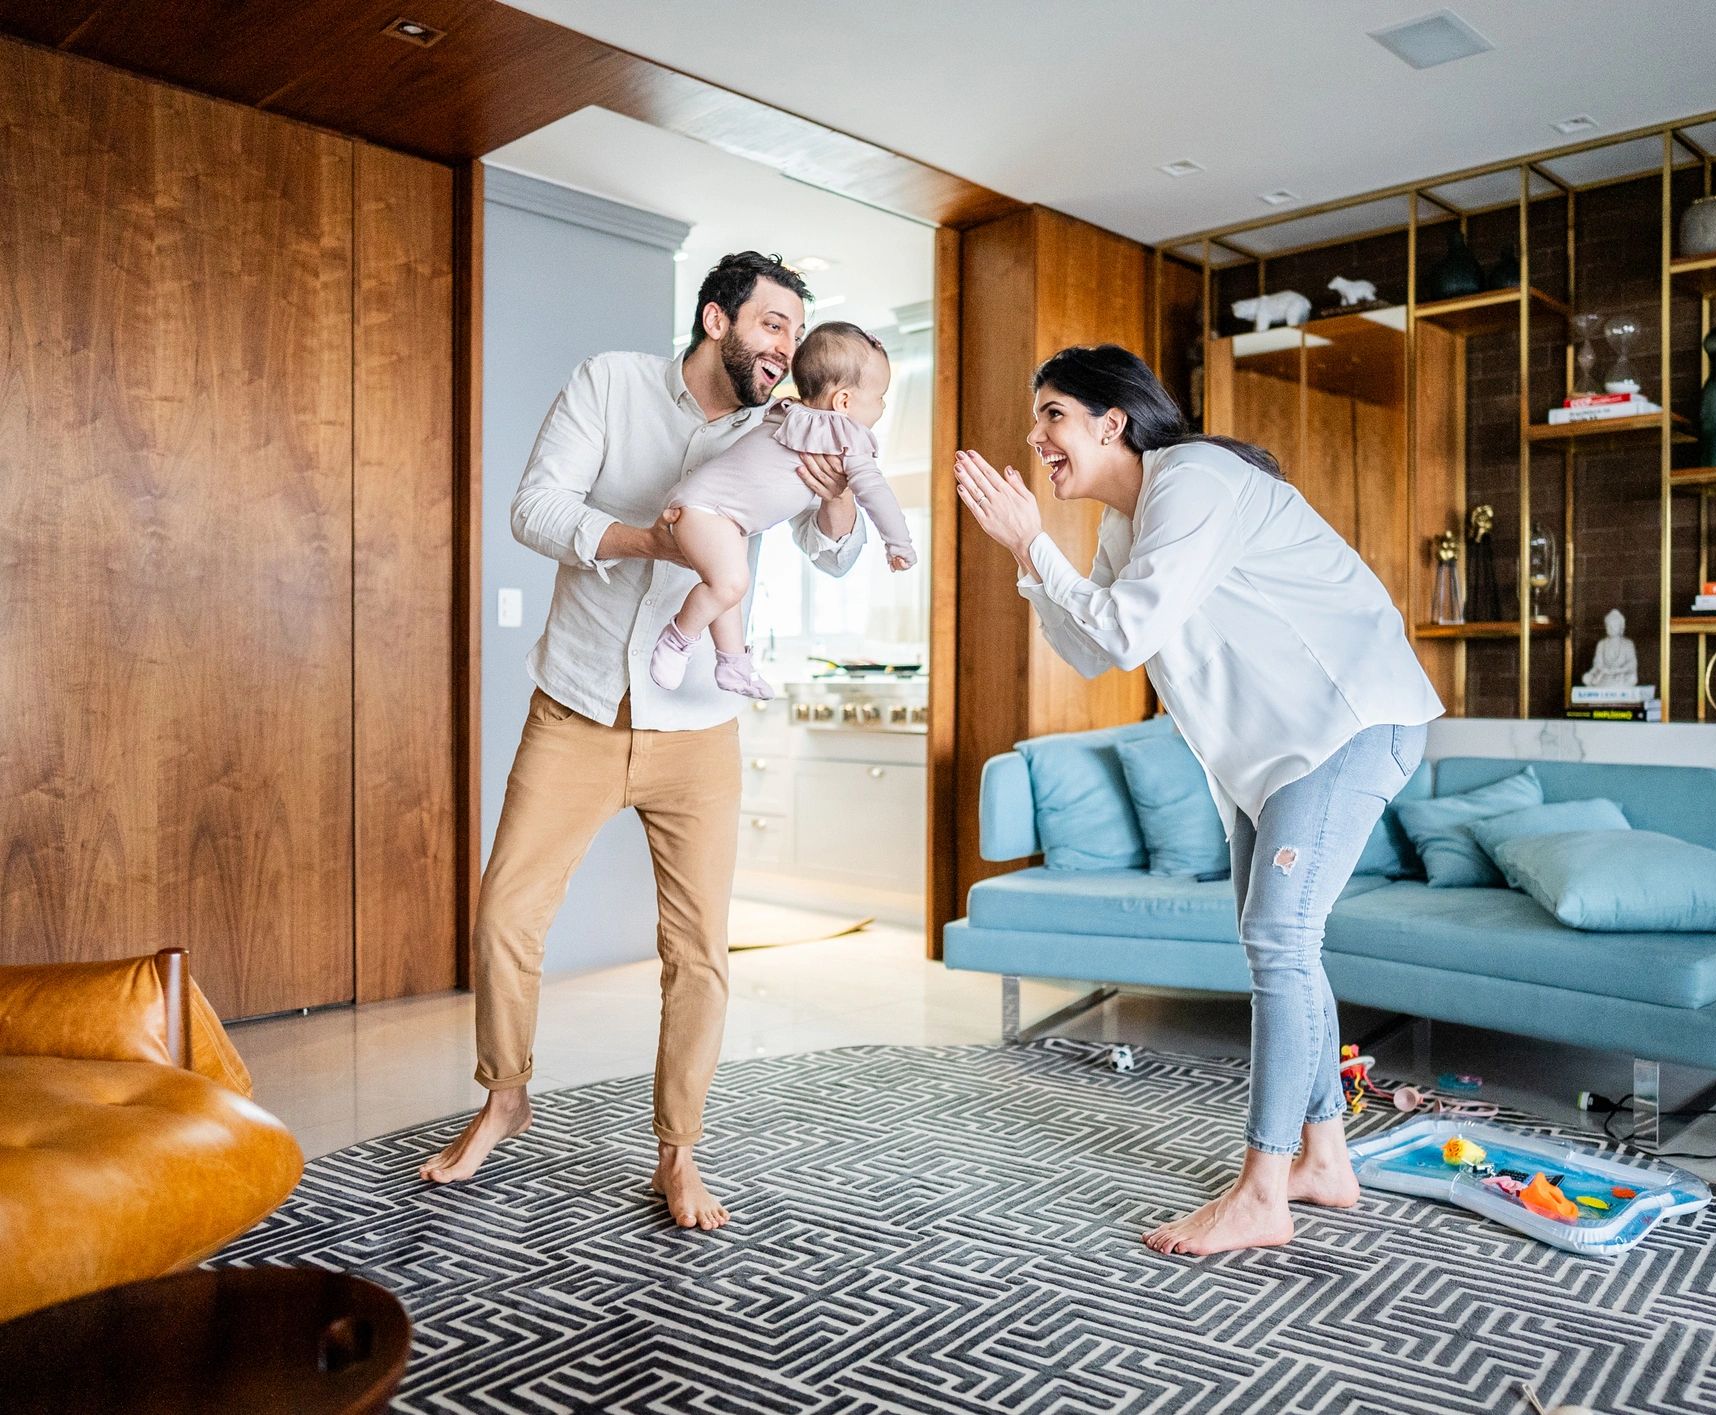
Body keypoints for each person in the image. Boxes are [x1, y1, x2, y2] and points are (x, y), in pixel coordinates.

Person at [953, 344, 1444, 1257]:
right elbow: (1099, 649)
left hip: (1346, 725)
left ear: (1112, 422)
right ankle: (1323, 1155)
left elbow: (1127, 628)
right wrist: (1031, 564)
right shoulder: (1127, 519)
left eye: (1051, 414)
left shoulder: (1196, 480)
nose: (1035, 437)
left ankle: (1264, 1192)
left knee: (1278, 940)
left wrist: (1030, 542)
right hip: (1273, 760)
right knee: (1283, 945)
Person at [418, 252, 869, 1230]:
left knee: (699, 951)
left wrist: (840, 488)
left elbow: (833, 553)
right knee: (505, 915)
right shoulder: (611, 383)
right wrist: (650, 541)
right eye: (771, 323)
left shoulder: (780, 426)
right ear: (718, 317)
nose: (784, 345)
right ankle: (506, 1095)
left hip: (698, 725)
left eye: (795, 331)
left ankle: (678, 1150)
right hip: (576, 705)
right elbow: (534, 510)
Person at [650, 321, 916, 698]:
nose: (883, 406)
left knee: (731, 585)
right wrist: (899, 543)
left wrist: (838, 498)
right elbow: (876, 492)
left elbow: (834, 555)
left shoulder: (790, 415)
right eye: (879, 397)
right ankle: (678, 639)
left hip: (723, 517)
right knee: (730, 583)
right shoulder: (843, 434)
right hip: (702, 510)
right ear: (843, 402)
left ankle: (733, 663)